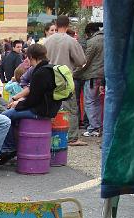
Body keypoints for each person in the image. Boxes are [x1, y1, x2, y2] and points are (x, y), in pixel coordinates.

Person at [1, 44, 62, 152]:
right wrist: (18, 99)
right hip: (50, 108)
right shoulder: (49, 68)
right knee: (13, 115)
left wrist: (18, 104)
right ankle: (16, 144)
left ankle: (9, 147)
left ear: (31, 57)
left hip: (40, 111)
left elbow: (33, 100)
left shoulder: (40, 73)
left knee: (5, 116)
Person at [44, 15, 87, 146]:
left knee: (50, 105)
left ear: (56, 25)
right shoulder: (71, 41)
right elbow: (81, 61)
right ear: (68, 25)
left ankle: (50, 131)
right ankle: (72, 137)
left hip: (48, 76)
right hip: (65, 78)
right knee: (70, 108)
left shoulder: (47, 41)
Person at [74, 23, 104, 137]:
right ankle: (98, 126)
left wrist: (74, 73)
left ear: (89, 32)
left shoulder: (92, 42)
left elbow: (85, 62)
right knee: (97, 102)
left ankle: (93, 128)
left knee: (90, 102)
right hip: (103, 76)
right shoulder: (107, 39)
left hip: (92, 76)